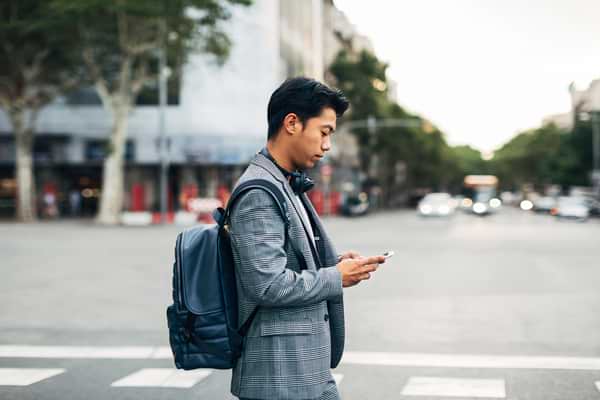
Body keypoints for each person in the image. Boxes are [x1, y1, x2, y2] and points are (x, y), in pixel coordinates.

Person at [229, 77, 386, 400]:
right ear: (291, 123)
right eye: (324, 132)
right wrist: (334, 278)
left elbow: (289, 260)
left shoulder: (284, 182)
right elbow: (266, 285)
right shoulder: (260, 191)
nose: (327, 145)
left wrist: (336, 264)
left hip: (302, 368)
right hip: (279, 374)